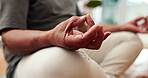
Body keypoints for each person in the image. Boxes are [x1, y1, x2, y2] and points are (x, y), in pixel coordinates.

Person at [0, 0, 147, 78]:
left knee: (130, 40)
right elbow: (10, 39)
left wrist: (124, 27)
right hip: (31, 58)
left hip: (70, 49)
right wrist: (51, 38)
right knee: (61, 57)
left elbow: (85, 28)